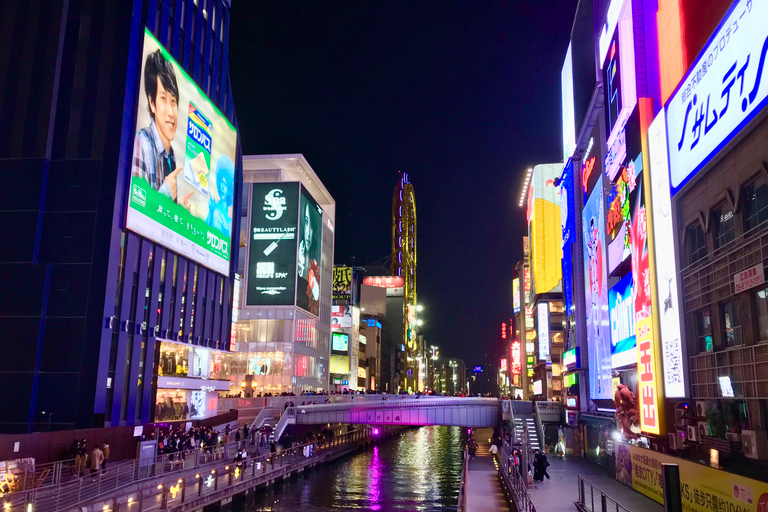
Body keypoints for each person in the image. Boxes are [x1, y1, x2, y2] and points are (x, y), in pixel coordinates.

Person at [132, 49, 190, 205]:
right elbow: (135, 204)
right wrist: (165, 194)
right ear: (152, 103)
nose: (171, 112)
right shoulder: (142, 142)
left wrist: (179, 211)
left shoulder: (171, 155)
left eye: (174, 101)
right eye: (163, 98)